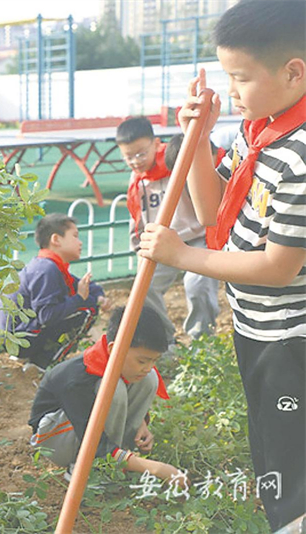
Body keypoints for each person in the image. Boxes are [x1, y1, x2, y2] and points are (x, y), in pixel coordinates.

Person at [139, 1, 305, 529]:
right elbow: (214, 210)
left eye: (240, 78)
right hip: (256, 326)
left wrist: (183, 256)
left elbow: (279, 267)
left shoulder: (300, 155)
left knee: (292, 465)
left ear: (293, 71)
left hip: (293, 340)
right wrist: (199, 137)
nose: (231, 92)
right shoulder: (260, 130)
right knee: (271, 451)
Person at [29, 306, 181, 483]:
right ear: (114, 349)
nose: (147, 366)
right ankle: (87, 467)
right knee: (111, 388)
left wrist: (140, 423)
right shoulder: (76, 381)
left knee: (150, 378)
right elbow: (90, 436)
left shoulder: (113, 364)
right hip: (55, 439)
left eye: (154, 360)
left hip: (87, 429)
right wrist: (155, 468)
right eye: (142, 361)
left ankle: (117, 457)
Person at [116, 117, 219, 346]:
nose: (135, 161)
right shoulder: (137, 179)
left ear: (155, 143)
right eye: (128, 157)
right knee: (145, 287)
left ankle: (201, 342)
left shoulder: (177, 159)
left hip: (198, 238)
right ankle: (165, 342)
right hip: (164, 241)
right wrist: (139, 247)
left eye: (141, 153)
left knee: (198, 284)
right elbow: (137, 215)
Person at [0, 214, 109, 370]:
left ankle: (34, 357)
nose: (80, 242)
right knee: (88, 309)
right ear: (56, 239)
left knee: (86, 301)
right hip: (21, 339)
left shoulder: (49, 265)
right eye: (75, 236)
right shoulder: (46, 269)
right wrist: (79, 298)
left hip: (17, 337)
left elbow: (87, 286)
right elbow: (46, 315)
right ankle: (44, 363)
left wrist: (99, 295)